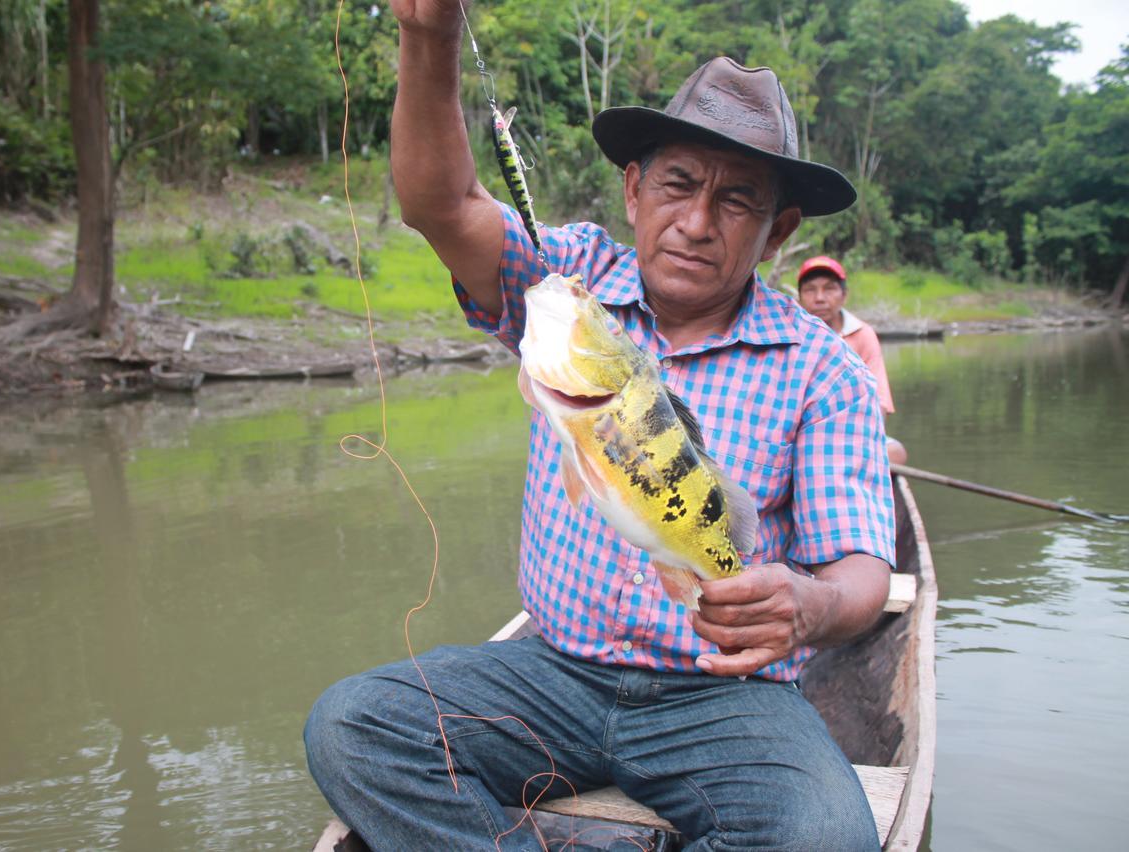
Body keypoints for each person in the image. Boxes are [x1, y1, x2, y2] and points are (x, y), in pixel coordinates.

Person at [305, 3, 895, 849]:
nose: (696, 222)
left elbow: (864, 573)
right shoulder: (569, 288)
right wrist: (429, 34)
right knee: (352, 727)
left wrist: (810, 602)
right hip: (552, 673)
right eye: (676, 185)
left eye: (736, 202)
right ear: (632, 187)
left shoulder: (825, 368)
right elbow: (441, 202)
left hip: (727, 697)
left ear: (779, 233)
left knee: (829, 836)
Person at [796, 257, 908, 464]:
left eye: (829, 289)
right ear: (800, 298)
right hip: (800, 433)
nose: (820, 298)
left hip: (854, 433)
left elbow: (879, 400)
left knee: (896, 453)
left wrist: (866, 442)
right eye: (810, 290)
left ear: (844, 296)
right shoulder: (792, 335)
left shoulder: (862, 334)